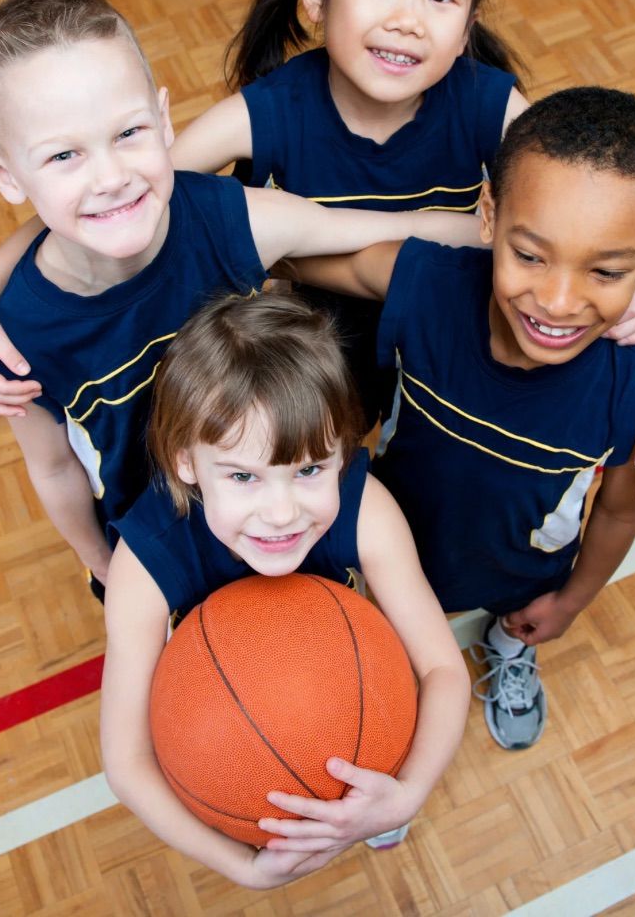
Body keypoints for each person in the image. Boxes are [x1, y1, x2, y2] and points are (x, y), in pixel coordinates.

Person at [0, 0, 635, 501]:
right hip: (319, 355)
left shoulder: (489, 101)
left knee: (437, 487)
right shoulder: (264, 111)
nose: (408, 18)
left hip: (447, 334)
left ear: (466, 24)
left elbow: (604, 212)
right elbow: (117, 192)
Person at [0, 0, 485, 596]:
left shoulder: (232, 222)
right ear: (4, 173)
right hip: (164, 557)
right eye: (65, 155)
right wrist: (109, 569)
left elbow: (404, 229)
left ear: (163, 119)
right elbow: (53, 468)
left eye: (128, 134)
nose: (110, 177)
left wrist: (544, 248)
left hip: (286, 515)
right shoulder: (14, 335)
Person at [280, 86, 635, 752]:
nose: (557, 302)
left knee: (521, 618)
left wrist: (571, 600)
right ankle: (390, 733)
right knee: (393, 649)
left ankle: (509, 646)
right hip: (399, 550)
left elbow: (616, 513)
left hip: (524, 575)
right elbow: (318, 258)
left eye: (606, 272)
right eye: (530, 255)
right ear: (490, 214)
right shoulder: (430, 284)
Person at [100, 292, 470, 888]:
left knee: (378, 749)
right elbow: (126, 761)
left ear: (342, 451)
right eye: (244, 476)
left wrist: (407, 793)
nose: (281, 512)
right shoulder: (143, 564)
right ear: (185, 462)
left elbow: (443, 670)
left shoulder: (364, 508)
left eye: (308, 470)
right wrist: (242, 867)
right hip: (225, 717)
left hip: (342, 690)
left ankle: (371, 802)